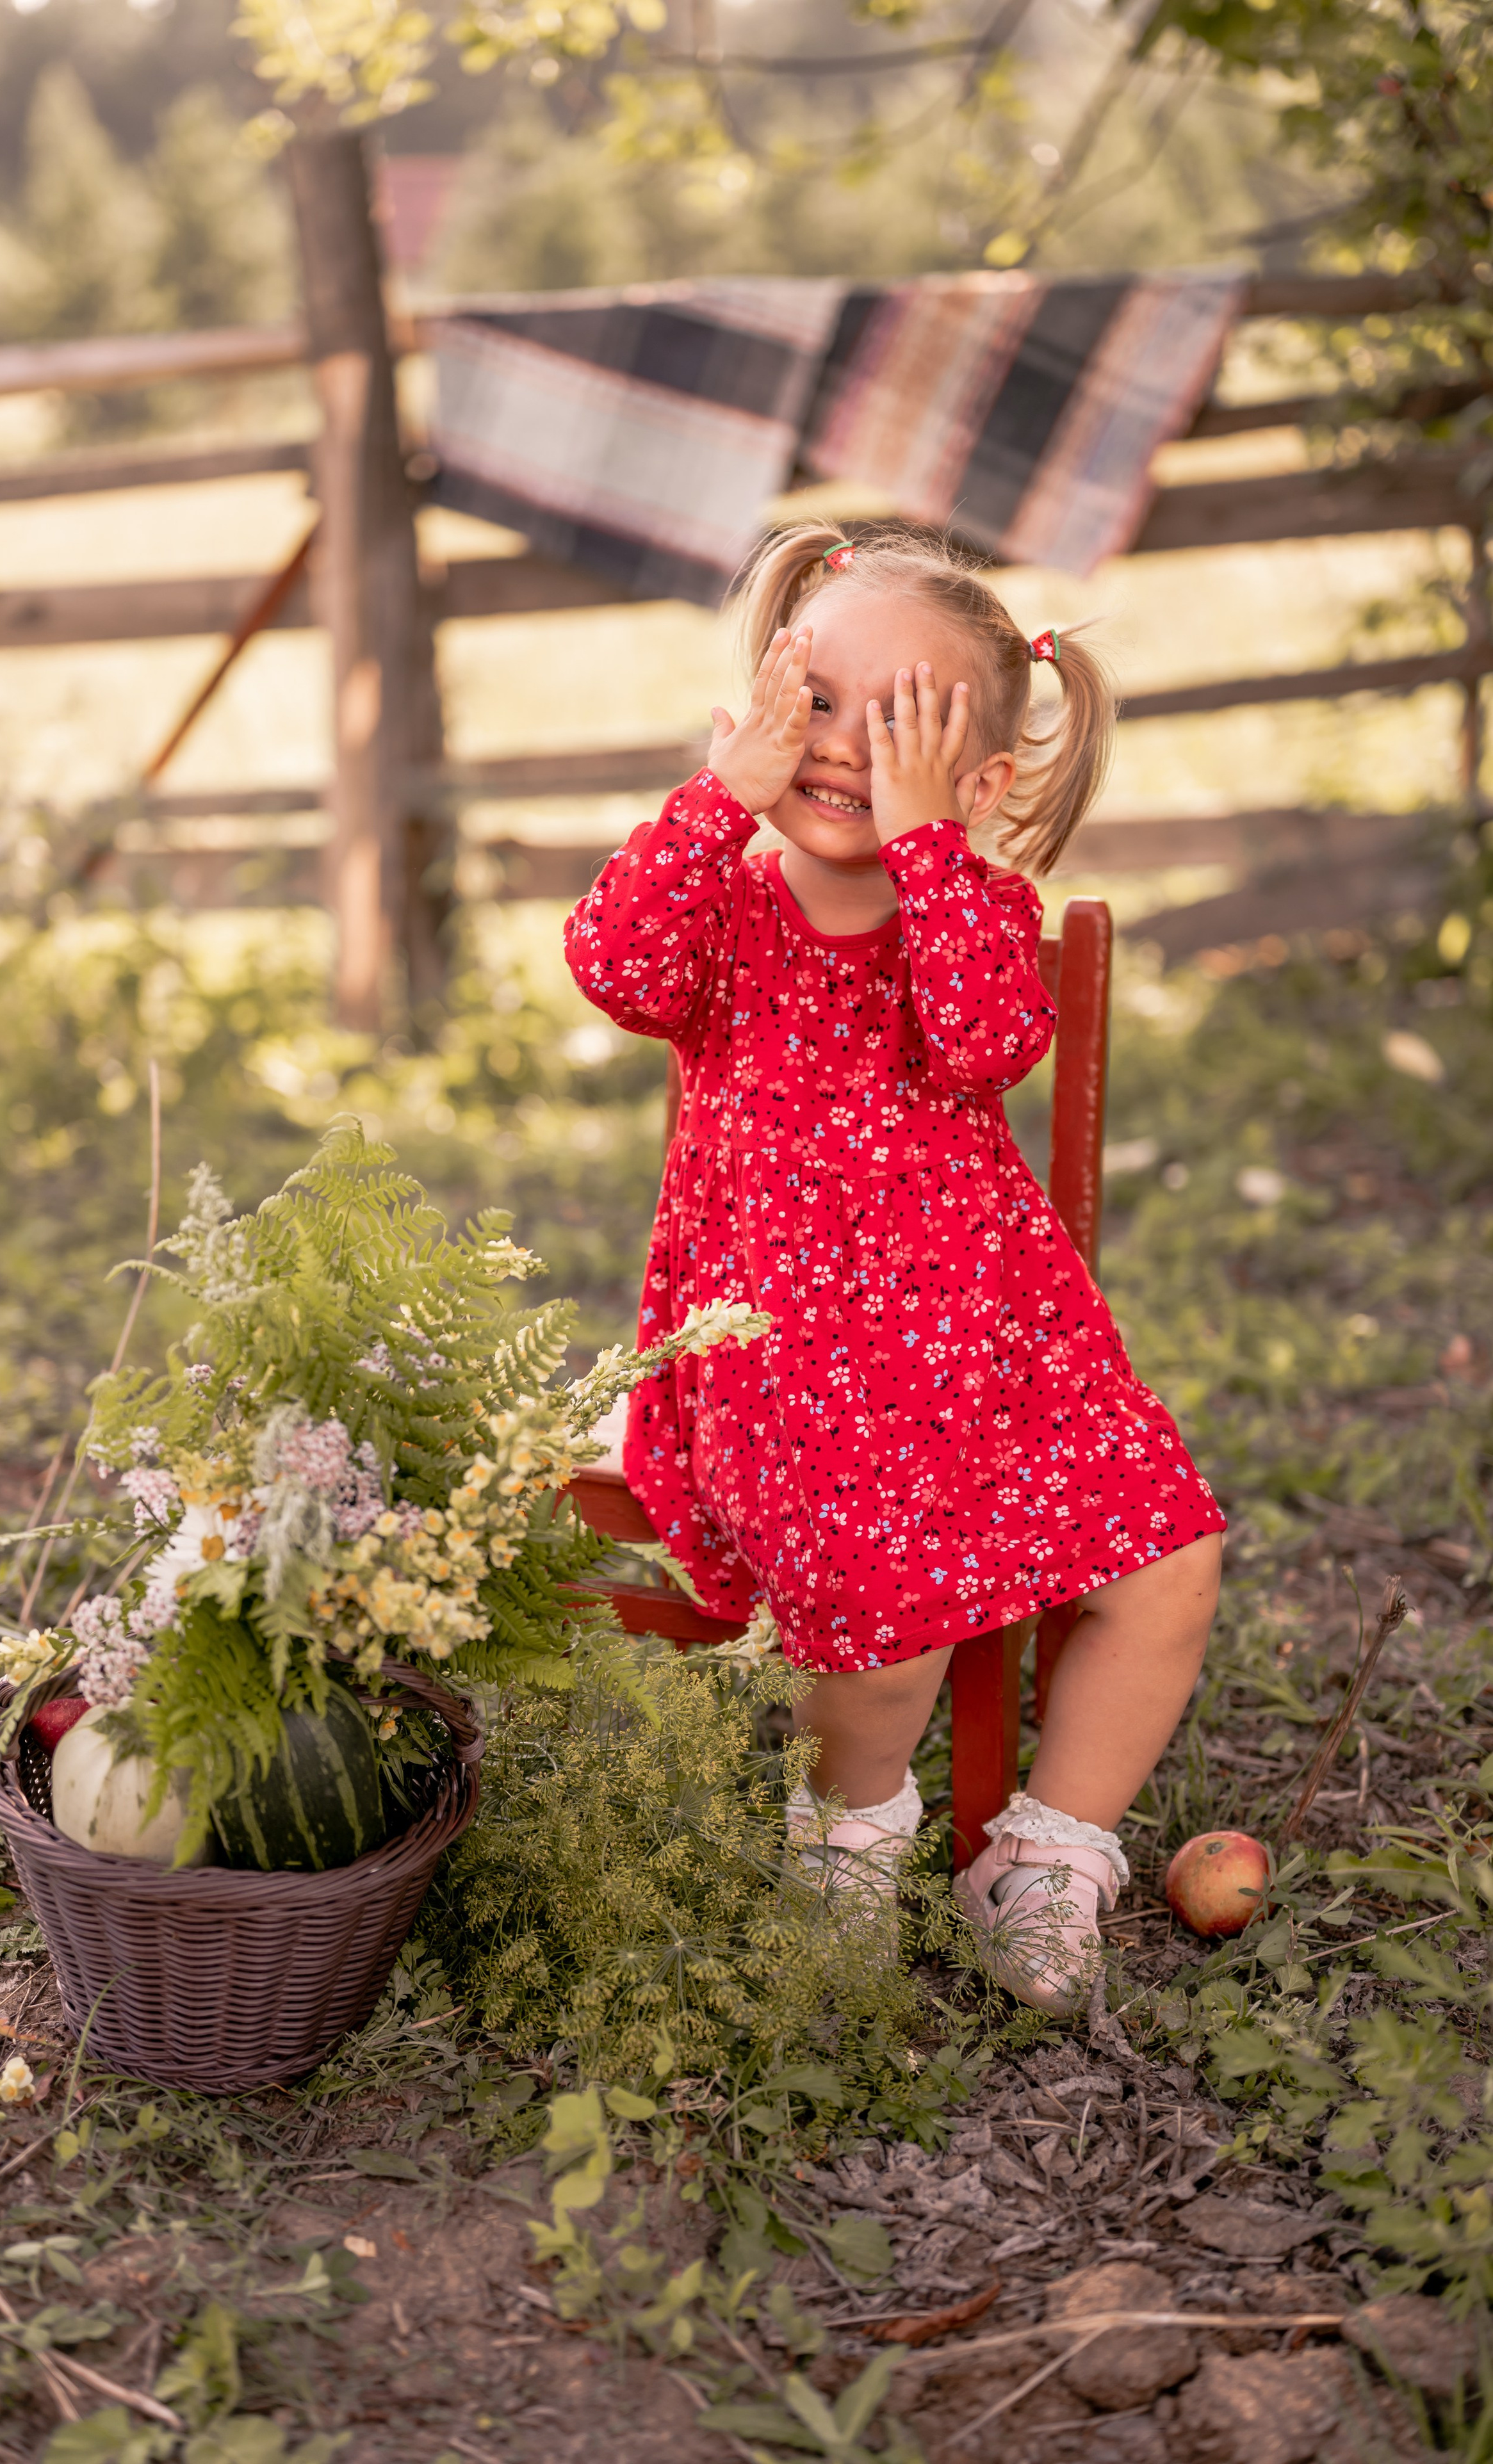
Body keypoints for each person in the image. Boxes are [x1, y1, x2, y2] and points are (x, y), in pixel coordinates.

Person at [563, 523, 1225, 2014]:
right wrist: (710, 797)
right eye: (816, 698)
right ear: (757, 703)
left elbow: (990, 1035)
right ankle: (849, 1829)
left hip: (996, 1355)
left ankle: (1043, 1853)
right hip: (785, 1365)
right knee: (884, 1603)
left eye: (904, 723)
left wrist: (933, 848)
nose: (845, 746)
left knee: (1168, 1560)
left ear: (979, 783)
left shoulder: (976, 914)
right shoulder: (720, 908)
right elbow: (610, 964)